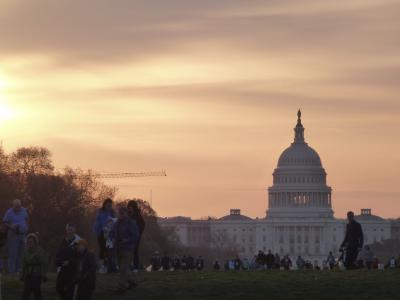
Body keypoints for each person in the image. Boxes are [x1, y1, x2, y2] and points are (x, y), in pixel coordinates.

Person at [110, 206, 139, 293]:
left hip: (128, 249)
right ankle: (132, 282)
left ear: (125, 213)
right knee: (123, 268)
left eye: (122, 213)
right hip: (118, 248)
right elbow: (112, 232)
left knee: (123, 268)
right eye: (119, 213)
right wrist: (110, 236)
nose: (120, 215)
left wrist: (127, 240)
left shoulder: (131, 223)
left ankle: (121, 287)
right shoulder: (117, 223)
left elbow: (136, 236)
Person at [55, 224, 81, 300]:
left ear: (75, 230)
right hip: (63, 269)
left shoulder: (79, 242)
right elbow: (58, 254)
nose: (69, 231)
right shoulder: (64, 241)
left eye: (71, 229)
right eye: (68, 229)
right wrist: (58, 261)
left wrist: (70, 262)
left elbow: (80, 258)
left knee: (70, 292)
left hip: (73, 271)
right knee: (58, 288)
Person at [3, 199, 29, 274]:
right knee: (13, 254)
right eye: (16, 206)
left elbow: (27, 218)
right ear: (13, 206)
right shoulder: (9, 212)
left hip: (22, 234)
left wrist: (27, 227)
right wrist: (11, 226)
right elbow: (5, 222)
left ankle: (19, 270)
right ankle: (12, 271)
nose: (18, 208)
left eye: (19, 206)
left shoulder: (24, 210)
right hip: (13, 235)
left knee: (22, 253)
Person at [21, 233, 48, 300]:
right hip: (28, 275)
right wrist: (22, 275)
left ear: (35, 242)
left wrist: (44, 275)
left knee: (37, 292)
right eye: (28, 242)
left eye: (31, 242)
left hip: (37, 274)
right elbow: (24, 265)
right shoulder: (26, 252)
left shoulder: (40, 251)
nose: (30, 243)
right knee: (25, 293)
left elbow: (44, 263)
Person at [93, 198, 115, 273]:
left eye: (110, 205)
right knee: (102, 249)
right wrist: (102, 228)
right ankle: (102, 266)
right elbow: (99, 222)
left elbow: (113, 220)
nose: (109, 207)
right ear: (105, 204)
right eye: (108, 205)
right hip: (101, 232)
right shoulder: (100, 212)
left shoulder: (112, 212)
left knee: (108, 249)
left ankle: (107, 266)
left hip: (109, 233)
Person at [127, 200, 145, 272]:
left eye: (130, 207)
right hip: (128, 235)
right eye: (129, 207)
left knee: (135, 250)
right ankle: (129, 266)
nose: (129, 208)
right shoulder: (128, 215)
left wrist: (139, 233)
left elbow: (142, 224)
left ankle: (136, 266)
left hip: (136, 236)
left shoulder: (137, 215)